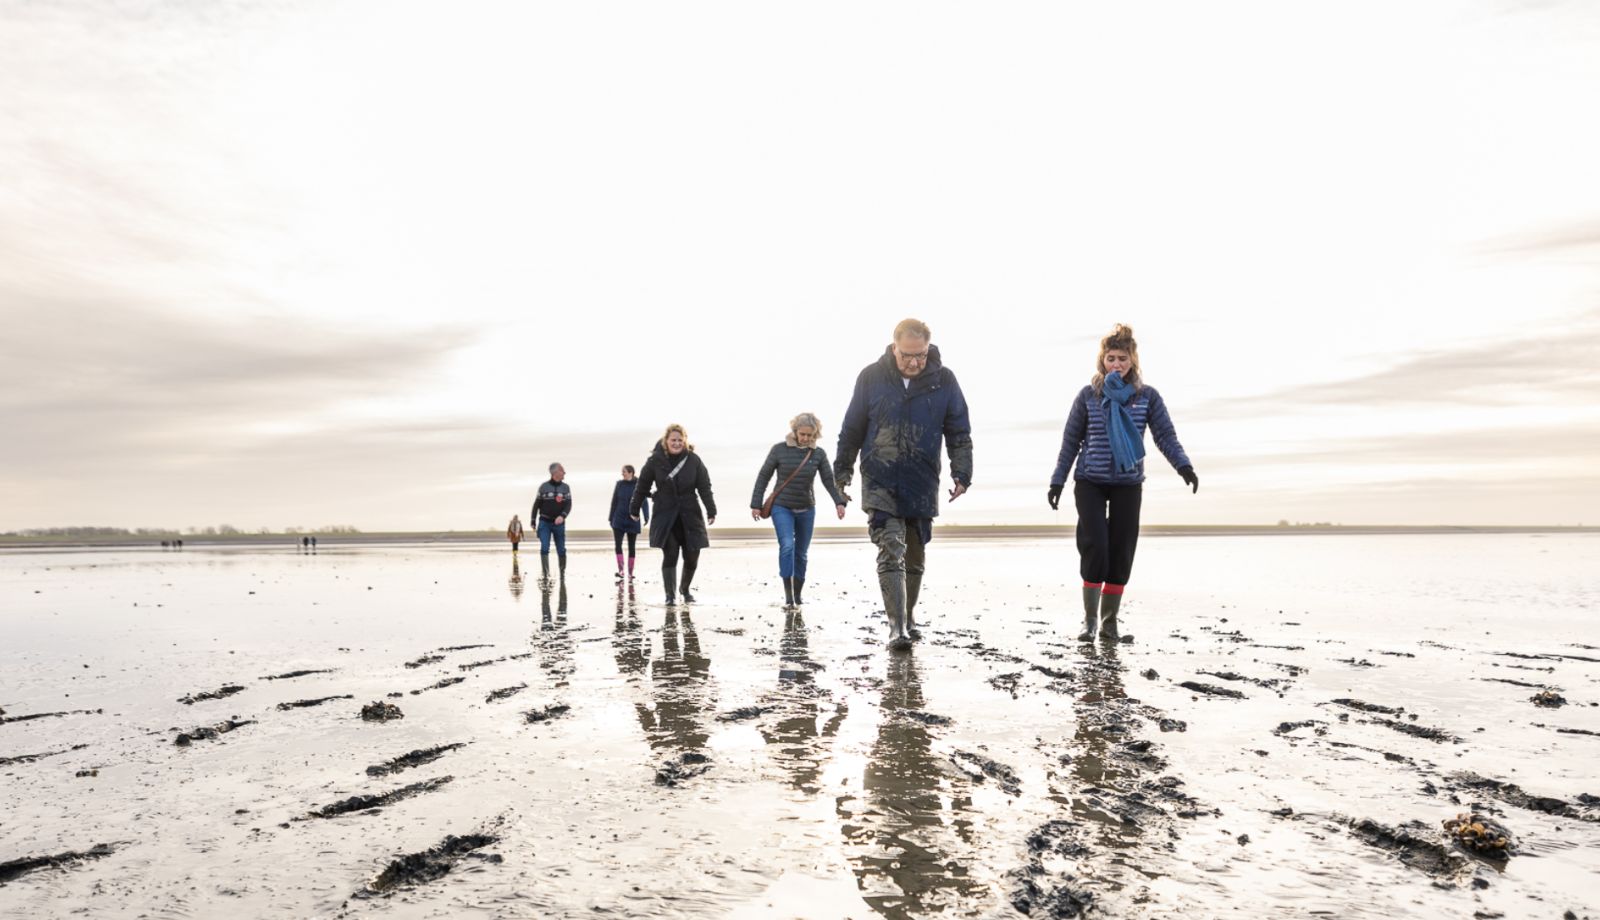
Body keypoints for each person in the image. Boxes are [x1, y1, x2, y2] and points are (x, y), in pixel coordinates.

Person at [1048, 323, 1198, 643]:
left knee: (1121, 553)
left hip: (1128, 482)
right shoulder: (1088, 396)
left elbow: (1165, 436)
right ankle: (1089, 621)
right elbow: (1070, 441)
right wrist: (1057, 482)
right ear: (1102, 360)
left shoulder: (1146, 397)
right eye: (1111, 358)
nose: (1117, 364)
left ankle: (1109, 622)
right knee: (1096, 547)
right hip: (1090, 480)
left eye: (1123, 359)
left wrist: (1183, 466)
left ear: (1133, 361)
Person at [836, 318, 973, 651]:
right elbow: (851, 430)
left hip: (922, 479)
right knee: (891, 547)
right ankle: (896, 628)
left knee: (914, 554)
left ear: (929, 348)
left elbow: (958, 432)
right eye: (907, 355)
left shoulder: (944, 381)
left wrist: (962, 472)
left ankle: (908, 616)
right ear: (894, 347)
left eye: (921, 355)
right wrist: (842, 475)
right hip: (879, 477)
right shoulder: (871, 377)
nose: (914, 362)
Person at [749, 412, 848, 608]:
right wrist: (755, 504)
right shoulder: (779, 450)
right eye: (802, 434)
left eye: (810, 435)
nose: (806, 438)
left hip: (806, 509)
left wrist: (839, 501)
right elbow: (763, 476)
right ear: (795, 431)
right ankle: (788, 598)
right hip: (782, 506)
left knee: (801, 553)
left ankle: (798, 595)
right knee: (787, 546)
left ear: (815, 434)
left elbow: (828, 480)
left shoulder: (818, 454)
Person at [630, 424, 717, 605]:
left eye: (680, 440)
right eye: (673, 440)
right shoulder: (655, 461)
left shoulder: (694, 460)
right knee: (670, 554)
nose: (676, 443)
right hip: (665, 515)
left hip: (690, 514)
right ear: (666, 441)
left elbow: (704, 486)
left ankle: (684, 589)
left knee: (692, 556)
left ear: (685, 441)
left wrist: (711, 509)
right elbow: (642, 486)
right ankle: (670, 596)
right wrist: (634, 508)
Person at [531, 462, 572, 582]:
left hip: (559, 524)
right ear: (556, 473)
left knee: (561, 549)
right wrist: (533, 520)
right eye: (562, 471)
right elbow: (536, 504)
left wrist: (562, 516)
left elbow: (568, 504)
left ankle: (562, 574)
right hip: (544, 523)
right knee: (544, 548)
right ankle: (545, 575)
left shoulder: (566, 488)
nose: (564, 473)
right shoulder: (543, 487)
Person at [608, 465, 649, 580]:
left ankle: (630, 573)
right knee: (618, 545)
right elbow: (614, 501)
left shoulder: (638, 485)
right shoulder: (619, 484)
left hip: (633, 519)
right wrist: (611, 518)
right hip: (619, 519)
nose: (622, 474)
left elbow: (644, 502)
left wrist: (646, 516)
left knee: (632, 546)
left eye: (624, 472)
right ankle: (621, 571)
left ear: (631, 473)